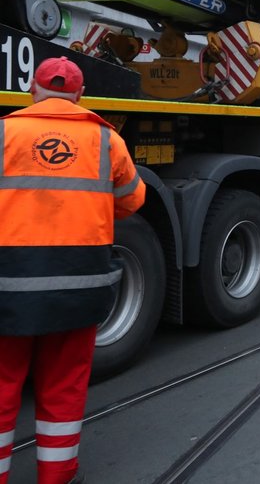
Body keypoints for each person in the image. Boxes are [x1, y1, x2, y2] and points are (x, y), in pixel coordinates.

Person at [0, 56, 146, 484]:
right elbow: (132, 202)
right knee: (64, 383)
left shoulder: (5, 131)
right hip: (80, 284)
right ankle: (57, 475)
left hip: (9, 283)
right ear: (80, 95)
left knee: (3, 382)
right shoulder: (106, 139)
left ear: (33, 90)